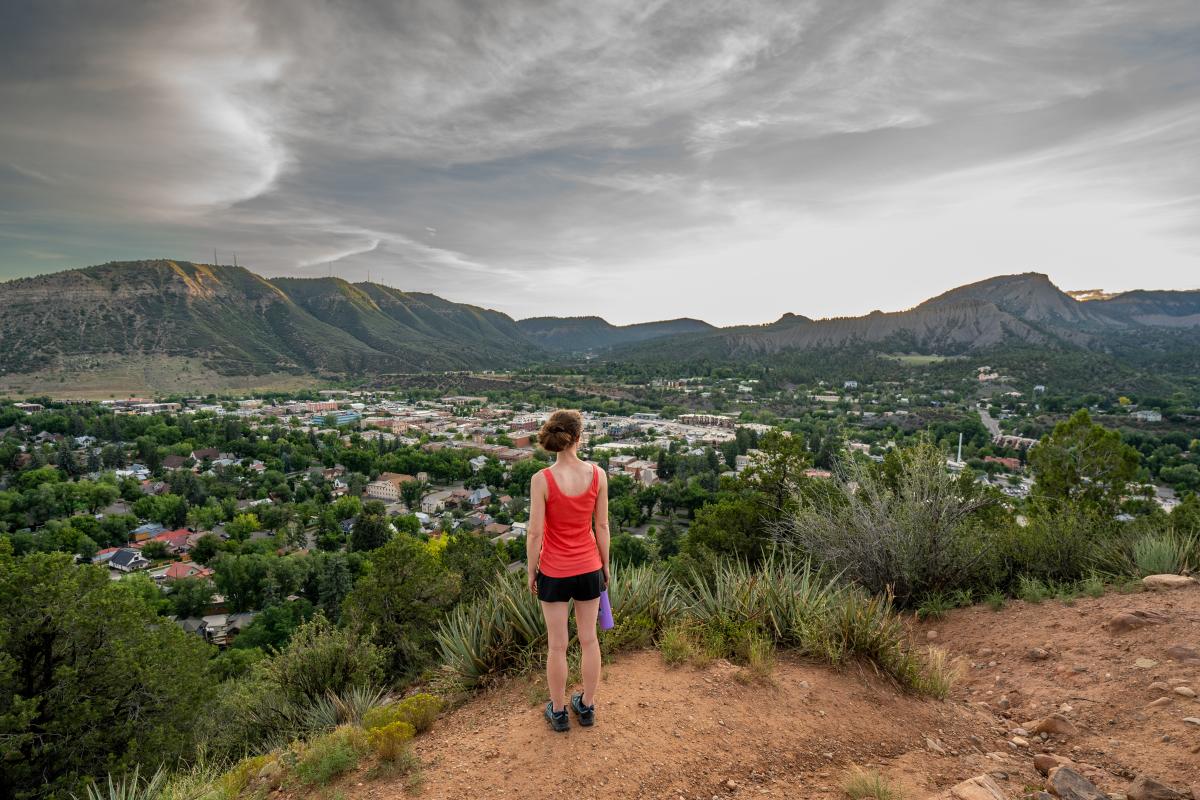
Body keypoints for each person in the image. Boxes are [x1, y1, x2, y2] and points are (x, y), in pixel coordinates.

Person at [526, 409, 611, 732]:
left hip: (554, 571)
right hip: (589, 567)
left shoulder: (542, 480)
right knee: (589, 640)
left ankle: (559, 711)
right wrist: (605, 567)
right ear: (578, 437)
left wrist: (532, 571)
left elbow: (534, 534)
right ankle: (587, 706)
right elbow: (601, 525)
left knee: (557, 645)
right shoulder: (597, 474)